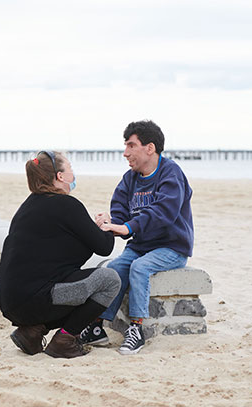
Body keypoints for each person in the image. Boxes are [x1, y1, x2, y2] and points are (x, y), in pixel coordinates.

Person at [81, 120, 194, 355]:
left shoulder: (171, 173)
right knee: (114, 269)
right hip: (141, 245)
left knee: (140, 268)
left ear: (149, 148)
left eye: (131, 146)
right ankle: (96, 327)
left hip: (171, 248)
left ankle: (136, 330)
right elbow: (121, 210)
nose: (126, 153)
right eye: (125, 146)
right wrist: (110, 223)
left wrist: (129, 228)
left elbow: (163, 213)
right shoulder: (129, 178)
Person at [0, 150, 121, 359]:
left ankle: (31, 332)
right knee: (109, 280)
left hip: (10, 302)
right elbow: (104, 247)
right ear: (60, 176)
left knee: (72, 283)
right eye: (70, 168)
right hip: (39, 298)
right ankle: (65, 340)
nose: (73, 173)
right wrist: (105, 224)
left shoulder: (27, 206)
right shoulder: (67, 205)